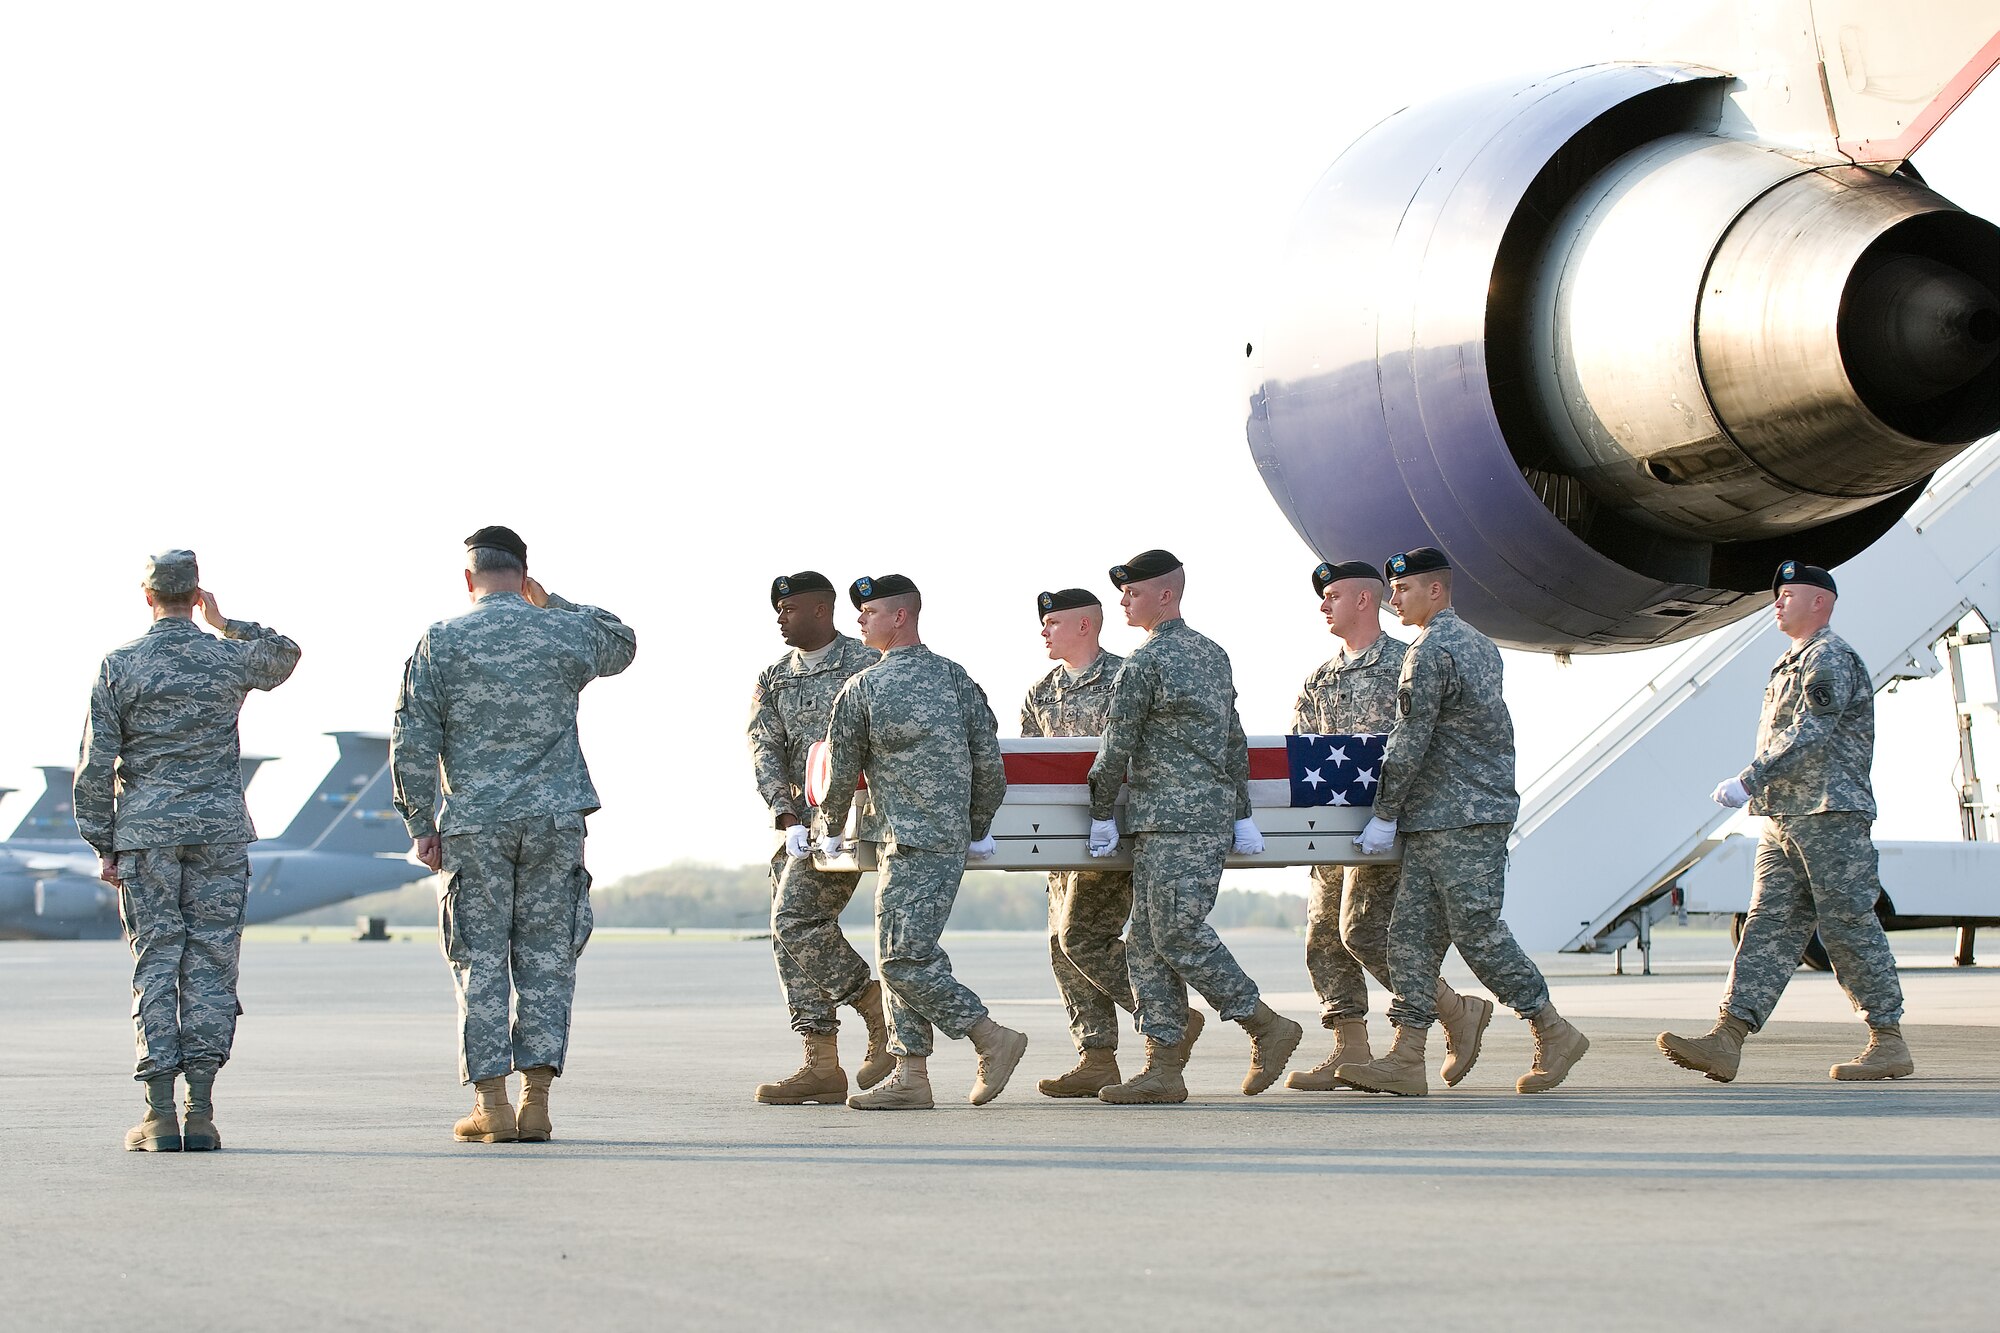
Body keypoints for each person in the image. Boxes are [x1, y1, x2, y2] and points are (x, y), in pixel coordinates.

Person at [392, 526, 637, 1143]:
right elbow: (622, 641)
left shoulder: (441, 641)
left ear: (467, 578)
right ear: (524, 575)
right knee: (548, 959)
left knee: (479, 962)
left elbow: (412, 738)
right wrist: (552, 603)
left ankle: (492, 1106)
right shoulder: (561, 631)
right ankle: (537, 1103)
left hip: (475, 824)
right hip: (555, 822)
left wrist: (420, 823)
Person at [1336, 547, 1588, 1097]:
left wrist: (1384, 814)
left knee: (1477, 931)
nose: (1395, 599)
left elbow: (1410, 738)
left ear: (1436, 590)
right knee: (1408, 938)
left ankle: (1553, 1029)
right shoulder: (1479, 644)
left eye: (1404, 589)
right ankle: (1407, 1057)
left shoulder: (1430, 651)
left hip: (1459, 817)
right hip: (1449, 816)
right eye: (1392, 590)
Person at [76, 549, 301, 1152]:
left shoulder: (121, 664)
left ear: (147, 596)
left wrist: (103, 842)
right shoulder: (225, 655)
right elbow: (284, 655)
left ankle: (158, 1115)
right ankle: (200, 1111)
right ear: (196, 595)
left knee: (156, 963)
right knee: (211, 964)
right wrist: (226, 624)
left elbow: (95, 764)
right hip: (219, 833)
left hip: (147, 834)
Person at [1659, 561, 1915, 1083]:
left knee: (1846, 924)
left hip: (1829, 813)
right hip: (1784, 815)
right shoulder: (1790, 661)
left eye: (1788, 594)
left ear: (1820, 601)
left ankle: (1888, 1040)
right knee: (1767, 924)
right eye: (1777, 595)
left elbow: (1809, 732)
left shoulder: (1829, 657)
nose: (1777, 602)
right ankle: (1727, 1038)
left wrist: (1749, 779)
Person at [1085, 549, 1300, 1104]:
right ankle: (1163, 1068)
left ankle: (1265, 1024)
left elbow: (1116, 746)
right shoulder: (1212, 654)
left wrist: (1101, 812)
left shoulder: (1145, 662)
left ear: (1166, 595)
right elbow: (1234, 738)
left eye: (1133, 592)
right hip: (1200, 817)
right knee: (1146, 943)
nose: (1124, 601)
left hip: (1170, 820)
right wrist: (1241, 811)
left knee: (1176, 933)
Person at [817, 574, 1029, 1110]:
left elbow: (840, 772)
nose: (860, 619)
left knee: (899, 960)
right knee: (905, 951)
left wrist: (829, 829)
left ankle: (989, 1036)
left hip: (908, 841)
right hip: (945, 840)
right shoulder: (957, 679)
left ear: (900, 617)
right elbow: (990, 766)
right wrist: (975, 827)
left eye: (870, 611)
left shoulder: (863, 687)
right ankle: (911, 1075)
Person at [1285, 560, 1491, 1092]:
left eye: (1333, 595)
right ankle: (1350, 1046)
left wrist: (1390, 814)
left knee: (1365, 933)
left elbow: (1427, 746)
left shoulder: (1407, 662)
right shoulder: (1319, 679)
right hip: (1332, 832)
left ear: (1363, 599)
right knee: (1324, 938)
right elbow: (1300, 752)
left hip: (1386, 828)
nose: (1323, 605)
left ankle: (1453, 1010)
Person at [750, 570, 892, 1104]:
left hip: (853, 820)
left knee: (794, 920)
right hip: (798, 827)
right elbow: (764, 747)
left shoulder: (867, 663)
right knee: (788, 933)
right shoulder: (774, 678)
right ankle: (822, 1064)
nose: (780, 618)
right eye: (777, 610)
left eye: (789, 609)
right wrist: (784, 814)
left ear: (821, 609)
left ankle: (872, 1005)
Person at [1019, 587, 1138, 1097]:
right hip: (1058, 845)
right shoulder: (1040, 693)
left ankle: (1164, 1013)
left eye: (1053, 622)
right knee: (1060, 948)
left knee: (1081, 938)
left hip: (1109, 837)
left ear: (1085, 625)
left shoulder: (1125, 679)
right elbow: (1028, 768)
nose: (1043, 631)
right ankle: (1096, 1057)